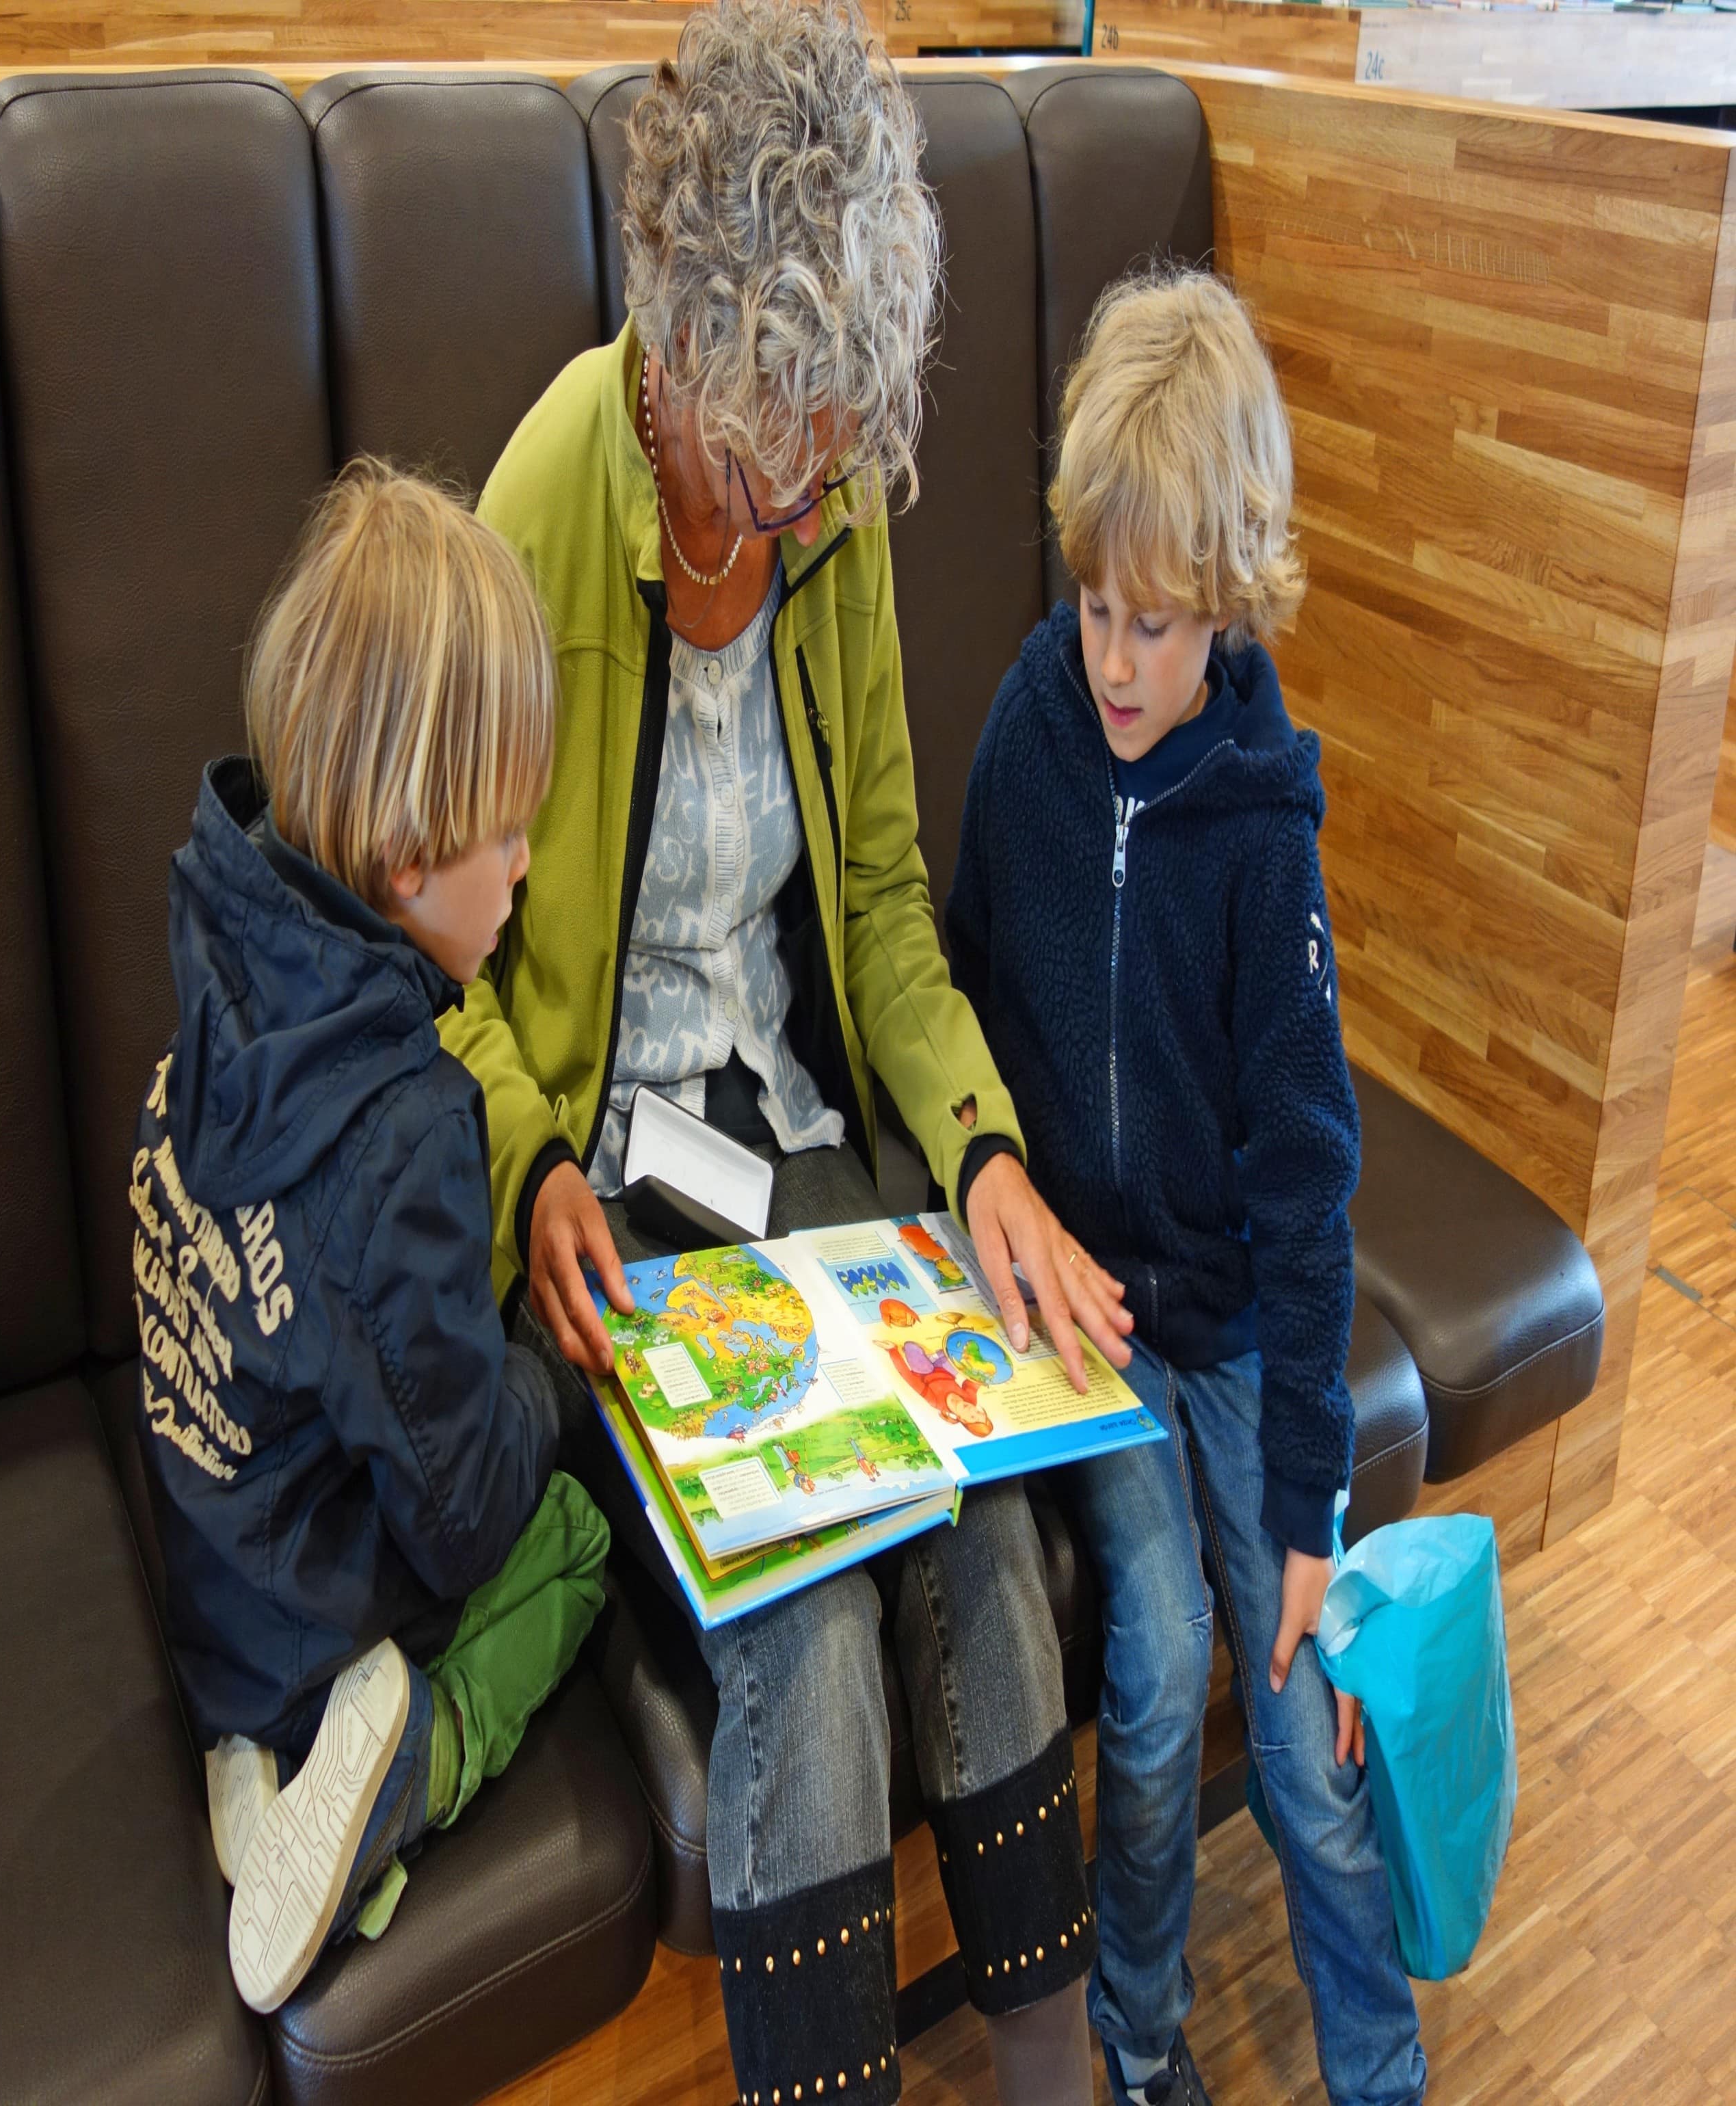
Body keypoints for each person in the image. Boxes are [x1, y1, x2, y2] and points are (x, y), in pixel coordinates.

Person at [451, 5, 1134, 2101]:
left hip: (796, 1127)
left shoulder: (828, 499)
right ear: (680, 337)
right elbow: (433, 953)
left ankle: (1045, 2064)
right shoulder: (554, 495)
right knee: (809, 1610)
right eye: (772, 439)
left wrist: (989, 1155)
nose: (807, 484)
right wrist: (525, 1168)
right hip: (618, 1166)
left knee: (994, 1528)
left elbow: (880, 913)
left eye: (836, 434)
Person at [947, 269, 1426, 2106]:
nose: (1116, 662)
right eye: (1091, 610)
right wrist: (979, 1201)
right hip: (1080, 1315)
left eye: (1157, 623)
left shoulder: (1262, 829)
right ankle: (1138, 2051)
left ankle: (1379, 2068)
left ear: (1233, 603)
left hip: (1229, 1333)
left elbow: (1311, 1188)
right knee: (1151, 1681)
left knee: (1304, 1736)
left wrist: (1307, 1506)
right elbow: (966, 989)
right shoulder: (1031, 725)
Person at [129, 462, 610, 2018]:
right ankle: (400, 1758)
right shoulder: (396, 1125)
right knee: (578, 1547)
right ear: (410, 859)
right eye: (509, 834)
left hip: (208, 1568)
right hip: (315, 1610)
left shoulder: (225, 912)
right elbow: (467, 1513)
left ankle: (253, 1762)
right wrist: (556, 1382)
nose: (525, 866)